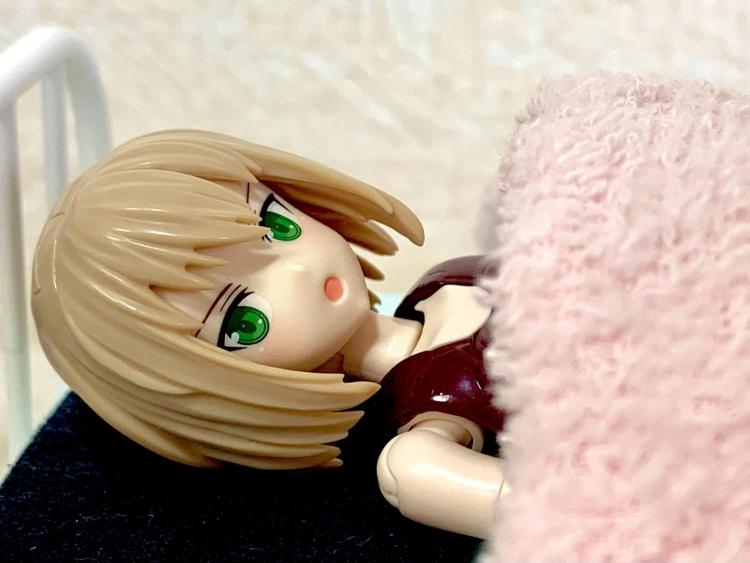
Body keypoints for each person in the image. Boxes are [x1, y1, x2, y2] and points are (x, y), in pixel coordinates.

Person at [32, 129, 505, 538]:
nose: (298, 270)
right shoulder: (423, 438)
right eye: (244, 322)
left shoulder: (439, 285)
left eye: (275, 223)